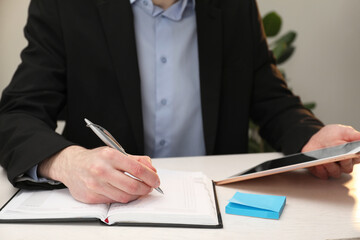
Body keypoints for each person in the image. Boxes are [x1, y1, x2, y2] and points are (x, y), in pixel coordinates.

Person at [0, 0, 359, 204]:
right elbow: (17, 114)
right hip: (111, 213)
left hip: (221, 209)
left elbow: (270, 98)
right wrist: (67, 162)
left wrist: (311, 139)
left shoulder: (235, 7)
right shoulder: (64, 7)